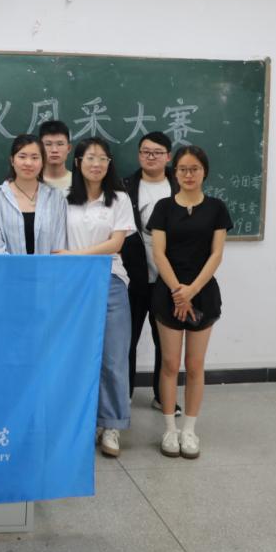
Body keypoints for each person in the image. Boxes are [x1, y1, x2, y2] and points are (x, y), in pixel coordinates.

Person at [149, 145, 232, 460]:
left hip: (203, 293)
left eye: (194, 168)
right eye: (182, 169)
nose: (188, 174)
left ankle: (189, 429)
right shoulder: (163, 207)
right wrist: (177, 291)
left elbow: (216, 254)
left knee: (195, 365)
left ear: (204, 172)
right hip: (168, 293)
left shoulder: (217, 208)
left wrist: (191, 291)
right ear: (175, 172)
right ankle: (170, 429)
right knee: (170, 364)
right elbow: (159, 254)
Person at [55, 137, 135, 458]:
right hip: (72, 284)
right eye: (90, 157)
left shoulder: (119, 199)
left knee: (113, 357)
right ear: (77, 162)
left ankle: (112, 425)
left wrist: (75, 255)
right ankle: (84, 422)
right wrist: (72, 261)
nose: (96, 164)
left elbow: (116, 244)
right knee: (76, 356)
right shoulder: (62, 199)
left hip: (109, 278)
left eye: (102, 158)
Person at [121, 131, 181, 415]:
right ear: (139, 155)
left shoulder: (179, 186)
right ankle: (123, 396)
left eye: (157, 152)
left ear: (168, 156)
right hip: (133, 278)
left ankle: (162, 396)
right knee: (127, 340)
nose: (151, 157)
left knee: (166, 343)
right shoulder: (125, 187)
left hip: (169, 280)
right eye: (145, 151)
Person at [0, 134, 66, 255]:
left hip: (48, 267)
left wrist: (48, 267)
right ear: (12, 160)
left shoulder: (55, 197)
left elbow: (59, 244)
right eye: (22, 157)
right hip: (7, 267)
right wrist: (16, 267)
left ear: (43, 162)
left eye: (35, 158)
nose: (28, 163)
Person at [39, 120, 73, 195]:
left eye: (60, 144)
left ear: (69, 148)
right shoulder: (31, 182)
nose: (54, 150)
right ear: (40, 147)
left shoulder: (80, 182)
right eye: (48, 144)